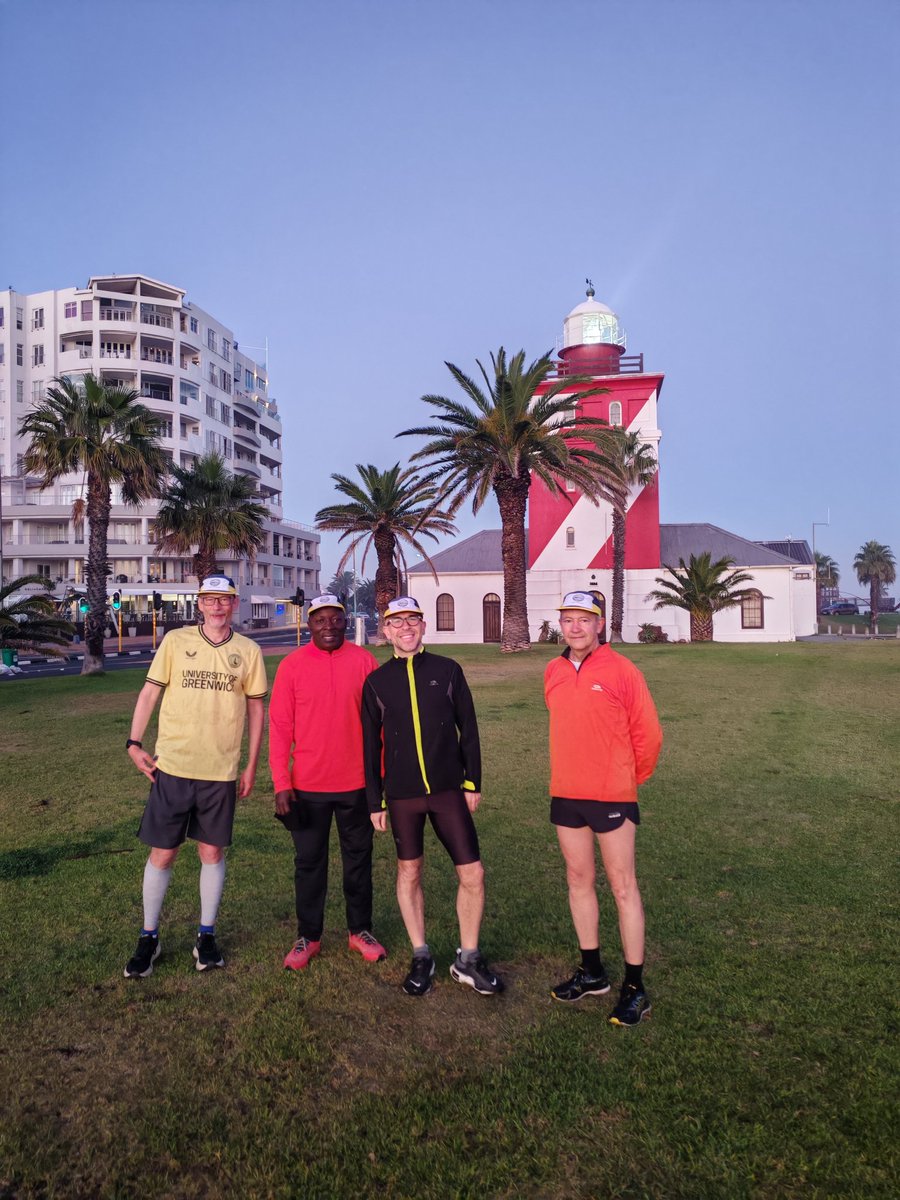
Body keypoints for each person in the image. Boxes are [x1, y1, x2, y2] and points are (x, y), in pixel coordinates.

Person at [123, 574, 267, 978]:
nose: (217, 606)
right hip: (172, 768)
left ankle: (206, 936)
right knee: (163, 853)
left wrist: (251, 764)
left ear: (234, 604)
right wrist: (134, 743)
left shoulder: (248, 651)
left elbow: (256, 711)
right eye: (209, 600)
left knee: (211, 853)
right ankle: (148, 937)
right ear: (199, 604)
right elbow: (150, 692)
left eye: (224, 600)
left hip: (219, 773)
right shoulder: (176, 642)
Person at [362, 596, 503, 998]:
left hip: (447, 791)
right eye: (397, 622)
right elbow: (370, 746)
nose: (406, 628)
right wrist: (376, 800)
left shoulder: (448, 670)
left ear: (424, 627)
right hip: (403, 795)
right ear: (386, 630)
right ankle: (421, 954)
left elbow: (469, 729)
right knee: (409, 872)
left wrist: (472, 782)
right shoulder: (376, 681)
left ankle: (469, 958)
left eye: (413, 621)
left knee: (472, 873)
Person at [544, 591, 662, 1026]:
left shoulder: (622, 670)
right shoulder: (553, 671)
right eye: (568, 620)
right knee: (578, 880)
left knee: (623, 886)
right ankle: (592, 971)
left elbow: (648, 736)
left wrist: (627, 780)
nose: (575, 627)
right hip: (567, 794)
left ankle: (635, 987)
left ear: (599, 624)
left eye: (584, 620)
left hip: (613, 795)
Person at [268, 594, 386, 970]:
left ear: (346, 620)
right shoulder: (292, 666)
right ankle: (309, 936)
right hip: (307, 786)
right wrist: (281, 782)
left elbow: (381, 725)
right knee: (309, 863)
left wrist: (380, 781)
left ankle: (360, 931)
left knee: (359, 860)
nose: (329, 627)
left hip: (357, 785)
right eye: (321, 621)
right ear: (310, 625)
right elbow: (280, 727)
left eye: (336, 620)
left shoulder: (364, 661)